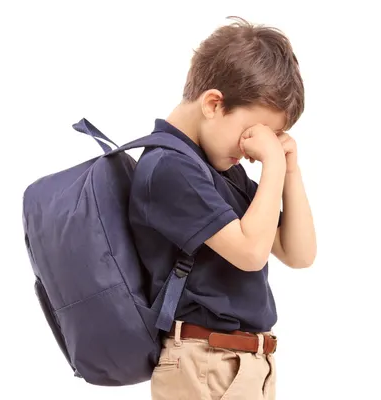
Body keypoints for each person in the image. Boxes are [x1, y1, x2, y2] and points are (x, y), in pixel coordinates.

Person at [128, 16, 316, 400]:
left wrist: (289, 171)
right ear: (214, 103)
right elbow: (250, 253)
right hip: (204, 364)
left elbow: (299, 253)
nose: (251, 150)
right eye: (252, 133)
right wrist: (273, 168)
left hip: (242, 364)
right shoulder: (169, 168)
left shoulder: (219, 169)